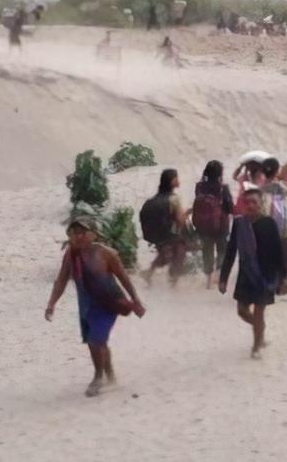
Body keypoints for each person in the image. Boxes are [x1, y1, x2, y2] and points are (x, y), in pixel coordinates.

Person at [44, 215, 145, 397]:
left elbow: (123, 278)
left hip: (108, 302)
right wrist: (51, 303)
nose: (78, 236)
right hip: (86, 305)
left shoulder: (107, 254)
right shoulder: (71, 255)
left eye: (83, 232)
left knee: (96, 339)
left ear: (93, 234)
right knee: (95, 342)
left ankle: (99, 376)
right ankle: (110, 376)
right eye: (75, 233)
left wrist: (135, 299)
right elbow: (61, 280)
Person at [219, 188, 287, 359]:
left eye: (253, 202)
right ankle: (259, 329)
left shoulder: (269, 223)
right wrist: (223, 278)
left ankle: (256, 346)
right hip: (245, 274)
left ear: (260, 204)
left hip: (265, 276)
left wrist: (283, 278)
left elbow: (278, 251)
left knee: (259, 312)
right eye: (246, 202)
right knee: (242, 311)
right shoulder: (239, 224)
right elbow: (231, 251)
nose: (250, 206)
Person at [140, 169, 188, 285]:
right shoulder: (174, 198)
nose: (179, 180)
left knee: (166, 254)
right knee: (180, 249)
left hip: (153, 234)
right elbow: (181, 221)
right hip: (166, 234)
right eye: (176, 178)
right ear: (172, 181)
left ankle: (149, 273)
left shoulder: (155, 198)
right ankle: (174, 282)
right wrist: (189, 212)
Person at [192, 161, 235, 289]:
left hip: (203, 226)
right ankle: (218, 272)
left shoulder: (199, 187)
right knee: (222, 249)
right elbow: (229, 207)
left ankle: (208, 281)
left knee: (207, 251)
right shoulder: (223, 188)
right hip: (221, 225)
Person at [262, 157, 287, 293]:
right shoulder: (278, 186)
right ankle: (281, 284)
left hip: (263, 229)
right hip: (278, 228)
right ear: (276, 171)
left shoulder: (260, 187)